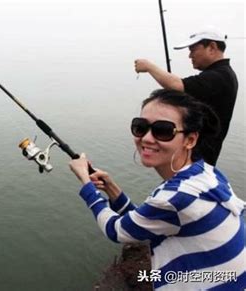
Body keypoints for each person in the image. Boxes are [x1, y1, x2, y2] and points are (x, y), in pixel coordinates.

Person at [69, 89, 245, 290]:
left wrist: (85, 181)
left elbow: (116, 230)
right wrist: (111, 189)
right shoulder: (207, 174)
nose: (147, 138)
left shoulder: (176, 198)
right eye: (140, 127)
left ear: (190, 140)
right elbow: (146, 221)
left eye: (162, 130)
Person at [134, 27, 238, 166]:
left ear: (212, 47)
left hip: (199, 156)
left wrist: (148, 66)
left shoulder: (219, 76)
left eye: (193, 50)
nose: (190, 56)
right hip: (199, 154)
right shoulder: (220, 75)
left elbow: (177, 85)